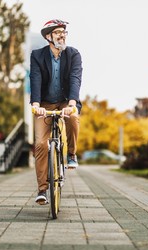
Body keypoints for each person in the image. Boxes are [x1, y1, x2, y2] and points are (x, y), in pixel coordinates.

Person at [30, 19, 83, 205]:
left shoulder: (73, 54)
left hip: (65, 101)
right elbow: (35, 78)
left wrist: (72, 103)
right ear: (48, 37)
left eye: (64, 32)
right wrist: (36, 104)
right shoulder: (37, 55)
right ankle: (42, 190)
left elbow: (75, 78)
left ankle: (71, 155)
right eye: (58, 32)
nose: (62, 34)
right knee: (41, 144)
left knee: (73, 116)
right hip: (44, 103)